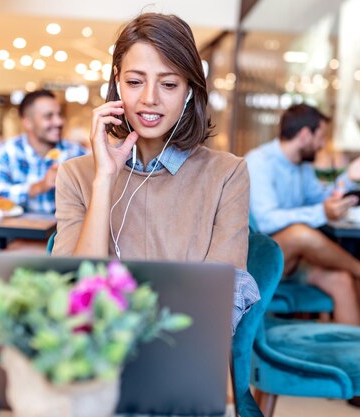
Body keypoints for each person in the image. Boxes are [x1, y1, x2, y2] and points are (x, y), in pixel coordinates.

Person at [52, 13, 259, 334]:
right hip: (97, 352)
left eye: (169, 84)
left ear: (190, 90)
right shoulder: (76, 175)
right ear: (117, 82)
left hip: (185, 347)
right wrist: (104, 179)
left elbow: (224, 293)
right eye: (135, 82)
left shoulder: (227, 173)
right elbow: (75, 296)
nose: (150, 99)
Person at [246, 104, 360, 325]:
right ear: (305, 134)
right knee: (300, 234)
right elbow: (265, 221)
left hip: (292, 261)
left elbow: (320, 198)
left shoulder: (302, 166)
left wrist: (348, 179)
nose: (322, 144)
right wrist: (321, 212)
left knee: (343, 280)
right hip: (259, 258)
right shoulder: (259, 162)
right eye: (321, 136)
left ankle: (358, 354)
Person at [0, 90, 86, 214]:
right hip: (19, 231)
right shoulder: (4, 153)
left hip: (68, 231)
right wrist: (39, 187)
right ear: (27, 122)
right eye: (49, 116)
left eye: (60, 114)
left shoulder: (77, 152)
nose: (59, 122)